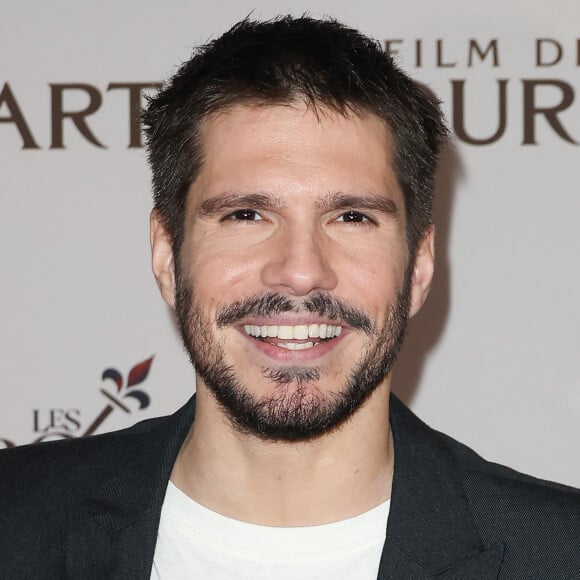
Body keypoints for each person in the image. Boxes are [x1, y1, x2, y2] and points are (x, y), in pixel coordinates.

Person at [1, 16, 579, 580]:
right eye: (246, 214)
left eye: (351, 217)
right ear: (165, 254)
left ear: (420, 265)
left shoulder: (560, 554)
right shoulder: (15, 521)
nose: (301, 273)